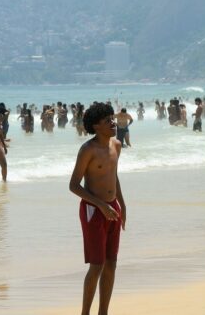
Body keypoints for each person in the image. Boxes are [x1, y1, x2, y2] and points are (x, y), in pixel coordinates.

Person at [69, 102, 126, 315]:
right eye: (107, 121)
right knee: (97, 265)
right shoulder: (87, 150)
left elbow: (113, 176)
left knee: (112, 263)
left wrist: (122, 203)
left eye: (112, 118)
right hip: (94, 210)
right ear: (96, 126)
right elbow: (73, 185)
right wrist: (101, 205)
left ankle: (104, 312)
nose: (113, 123)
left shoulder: (116, 145)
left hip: (113, 209)